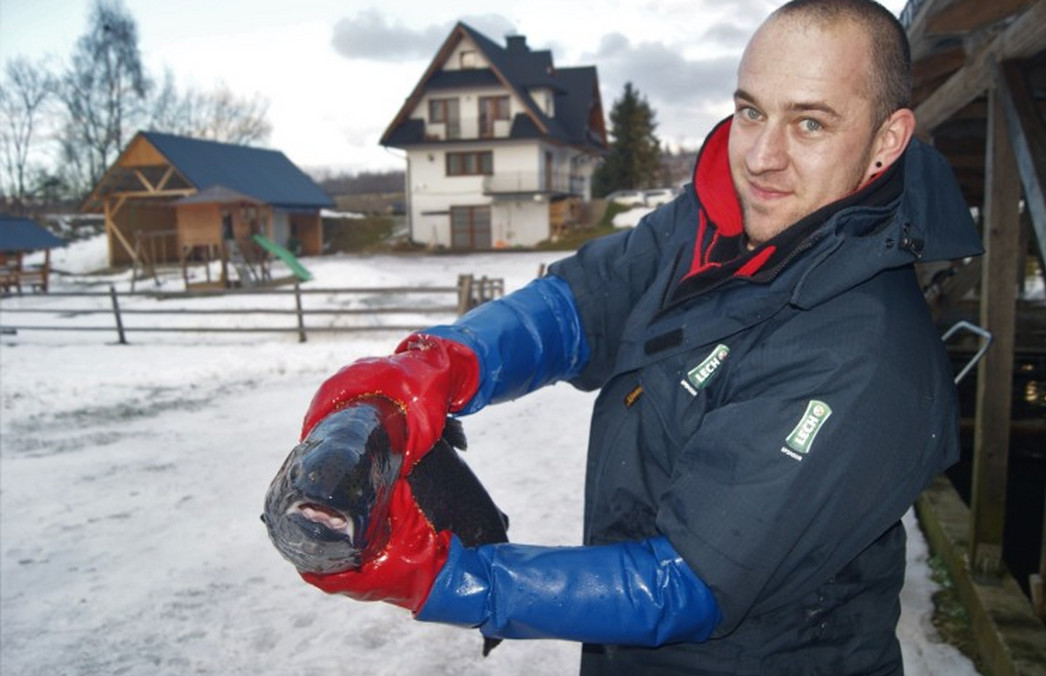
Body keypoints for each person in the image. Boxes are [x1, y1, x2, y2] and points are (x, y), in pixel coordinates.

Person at [296, 1, 983, 673]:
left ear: (886, 141)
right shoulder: (713, 220)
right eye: (751, 111)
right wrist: (446, 365)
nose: (763, 157)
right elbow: (582, 302)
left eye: (810, 123)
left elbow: (685, 582)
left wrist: (446, 578)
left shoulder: (862, 355)